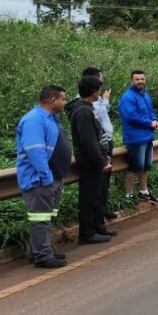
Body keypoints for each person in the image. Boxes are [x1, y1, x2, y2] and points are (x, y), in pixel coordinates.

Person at [15, 85, 72, 268]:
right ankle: (42, 256)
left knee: (46, 218)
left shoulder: (50, 118)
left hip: (53, 177)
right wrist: (46, 177)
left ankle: (41, 250)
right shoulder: (34, 120)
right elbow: (35, 151)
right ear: (53, 100)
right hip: (40, 180)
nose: (65, 102)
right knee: (40, 219)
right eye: (63, 99)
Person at [67, 76, 113, 245]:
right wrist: (101, 161)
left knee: (96, 195)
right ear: (93, 92)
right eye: (98, 90)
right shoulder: (82, 111)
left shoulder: (87, 108)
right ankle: (86, 233)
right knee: (88, 197)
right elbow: (88, 141)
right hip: (89, 161)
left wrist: (104, 155)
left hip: (95, 159)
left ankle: (96, 227)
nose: (99, 93)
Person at [119, 70, 158, 204]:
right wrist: (149, 123)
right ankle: (129, 195)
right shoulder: (128, 97)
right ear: (132, 81)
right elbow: (131, 117)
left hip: (148, 136)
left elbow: (150, 111)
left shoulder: (145, 95)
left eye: (142, 79)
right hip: (135, 138)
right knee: (134, 167)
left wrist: (154, 120)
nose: (140, 81)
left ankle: (144, 191)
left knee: (145, 166)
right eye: (137, 79)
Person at [81, 68, 117, 220]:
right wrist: (106, 99)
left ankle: (103, 208)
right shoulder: (85, 101)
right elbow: (101, 115)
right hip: (99, 144)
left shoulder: (93, 98)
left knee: (105, 180)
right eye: (100, 78)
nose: (102, 80)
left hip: (106, 140)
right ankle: (97, 216)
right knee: (99, 182)